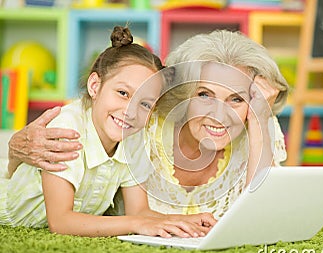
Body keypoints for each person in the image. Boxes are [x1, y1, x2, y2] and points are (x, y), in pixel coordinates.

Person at [7, 30, 289, 220]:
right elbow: (87, 118)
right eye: (204, 94)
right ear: (182, 93)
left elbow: (261, 217)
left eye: (236, 99)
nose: (220, 114)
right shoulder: (142, 118)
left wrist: (261, 119)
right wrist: (14, 148)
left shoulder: (258, 125)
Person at [0, 26, 215, 237]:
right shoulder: (68, 127)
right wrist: (137, 224)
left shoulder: (134, 137)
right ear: (95, 86)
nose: (131, 111)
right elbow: (61, 221)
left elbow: (138, 212)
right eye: (123, 93)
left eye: (145, 104)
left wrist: (183, 220)